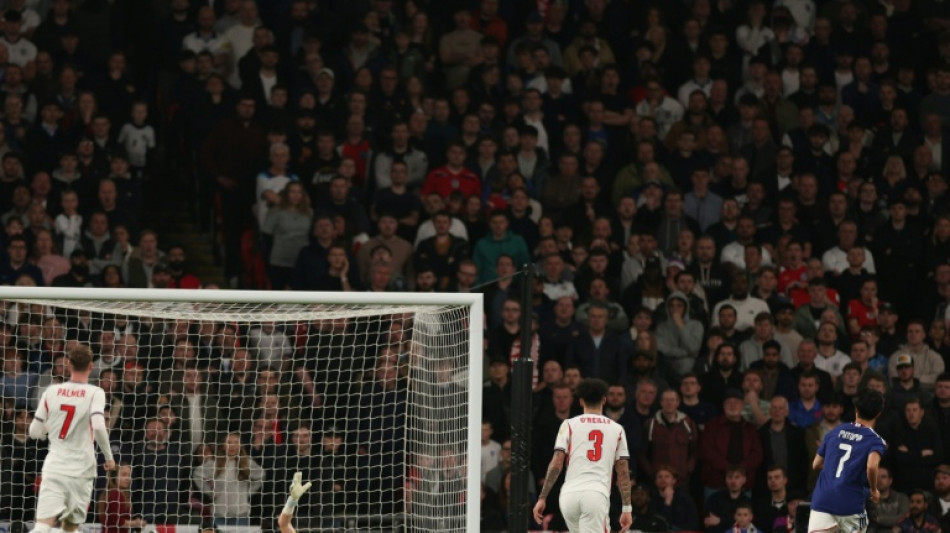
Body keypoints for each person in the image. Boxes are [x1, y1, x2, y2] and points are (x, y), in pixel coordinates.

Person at [28, 344, 116, 533]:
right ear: (91, 366)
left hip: (56, 467)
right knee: (70, 528)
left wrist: (49, 429)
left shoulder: (51, 391)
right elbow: (99, 426)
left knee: (43, 525)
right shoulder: (95, 393)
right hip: (82, 470)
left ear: (68, 364)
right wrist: (109, 457)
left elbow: (34, 432)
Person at [532, 378, 634, 533]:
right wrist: (627, 508)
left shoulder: (568, 424)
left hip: (568, 496)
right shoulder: (617, 429)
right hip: (595, 494)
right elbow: (623, 471)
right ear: (604, 400)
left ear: (580, 401)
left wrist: (542, 497)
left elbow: (556, 463)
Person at [807, 388, 887, 533]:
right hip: (850, 503)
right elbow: (872, 467)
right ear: (878, 414)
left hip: (822, 500)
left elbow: (815, 464)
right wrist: (874, 490)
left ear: (856, 409)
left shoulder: (835, 431)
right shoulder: (875, 441)